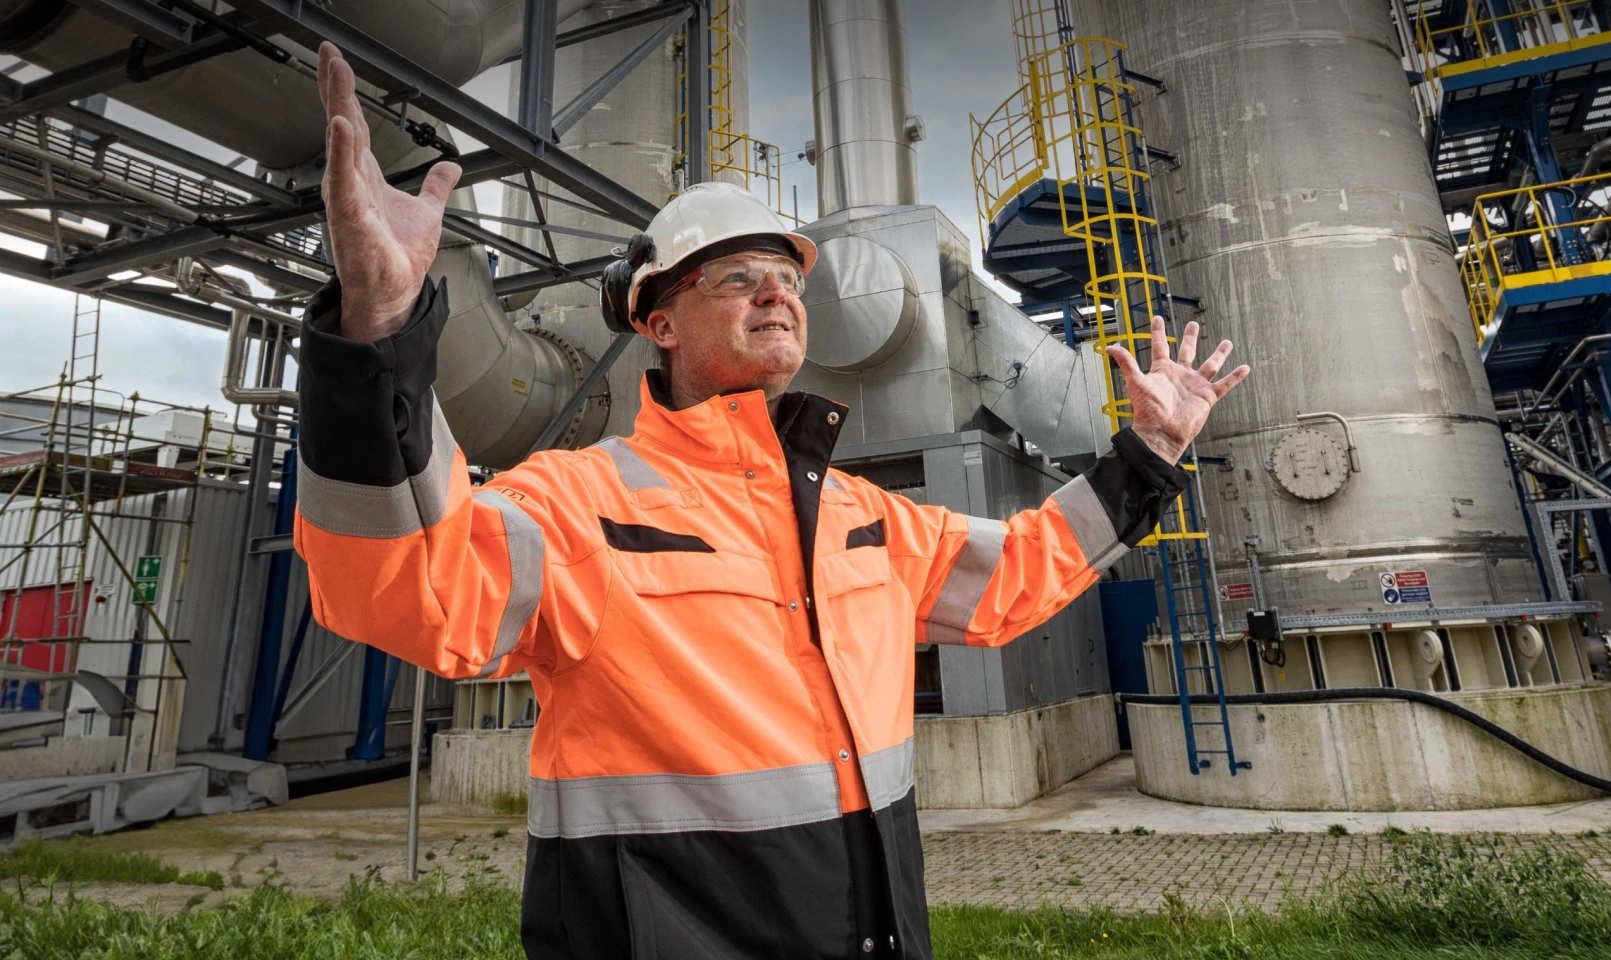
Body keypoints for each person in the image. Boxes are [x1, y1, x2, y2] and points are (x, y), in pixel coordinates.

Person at [295, 43, 1248, 960]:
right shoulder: (583, 503)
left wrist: (1149, 452)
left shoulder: (857, 514)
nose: (777, 296)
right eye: (739, 279)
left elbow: (1017, 577)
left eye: (788, 279)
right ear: (658, 320)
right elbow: (408, 583)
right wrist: (376, 331)